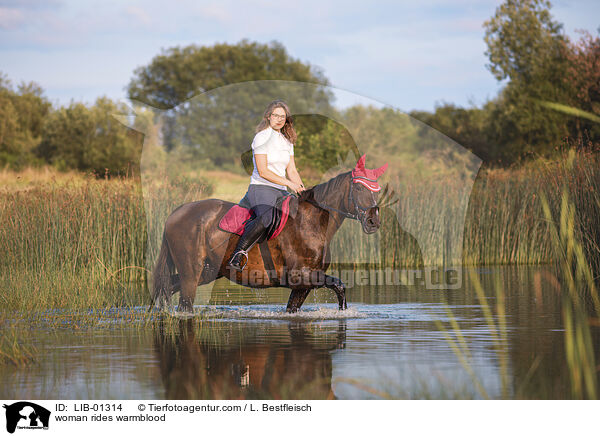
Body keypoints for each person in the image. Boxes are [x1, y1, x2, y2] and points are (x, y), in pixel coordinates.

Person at [228, 100, 306, 271]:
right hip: (261, 187)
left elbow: (292, 169)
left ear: (287, 120)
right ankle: (239, 253)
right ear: (268, 117)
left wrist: (301, 188)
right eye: (276, 115)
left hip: (281, 190)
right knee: (267, 218)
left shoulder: (287, 141)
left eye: (283, 117)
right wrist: (289, 183)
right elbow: (263, 171)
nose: (279, 119)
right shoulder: (261, 137)